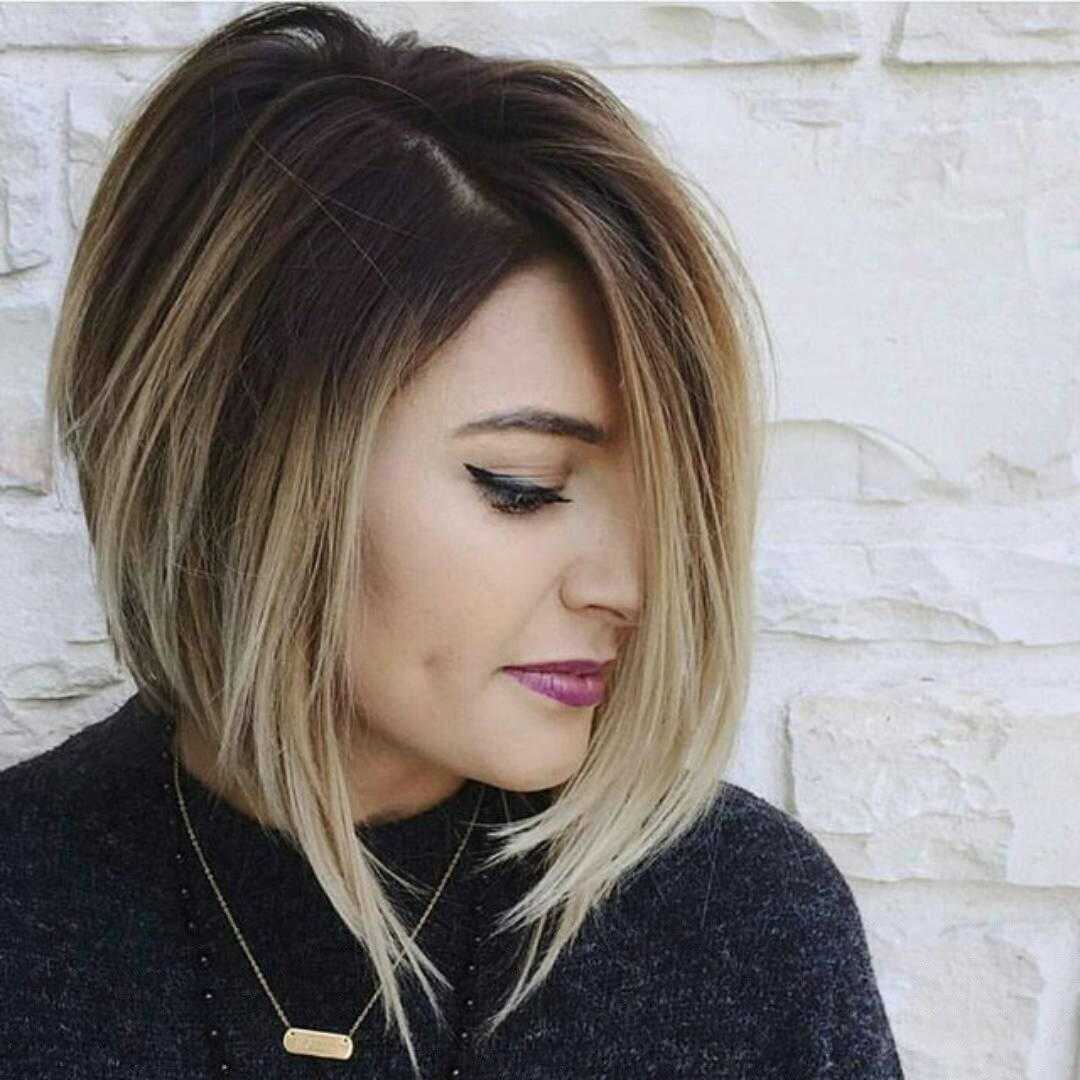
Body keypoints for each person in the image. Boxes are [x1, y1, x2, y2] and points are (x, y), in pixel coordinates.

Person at [0, 3, 905, 1077]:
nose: (632, 586)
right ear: (236, 459)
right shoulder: (28, 915)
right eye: (524, 488)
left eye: (665, 500)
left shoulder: (738, 927)